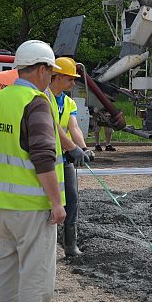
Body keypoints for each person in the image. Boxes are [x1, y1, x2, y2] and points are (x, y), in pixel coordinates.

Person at [0, 40, 66, 302]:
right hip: (31, 207)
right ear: (40, 70)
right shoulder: (35, 102)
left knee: (6, 270)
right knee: (36, 280)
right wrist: (56, 203)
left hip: (2, 205)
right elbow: (42, 157)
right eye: (50, 71)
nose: (51, 77)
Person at [0, 69, 89, 167]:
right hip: (24, 146)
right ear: (40, 68)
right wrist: (72, 148)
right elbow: (50, 123)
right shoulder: (39, 88)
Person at [49, 57, 95, 256]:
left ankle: (70, 245)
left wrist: (83, 149)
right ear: (57, 77)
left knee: (72, 199)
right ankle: (48, 243)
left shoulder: (68, 102)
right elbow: (55, 128)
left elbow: (73, 127)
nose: (73, 83)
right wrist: (73, 149)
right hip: (46, 157)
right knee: (48, 200)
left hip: (64, 158)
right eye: (70, 79)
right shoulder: (43, 97)